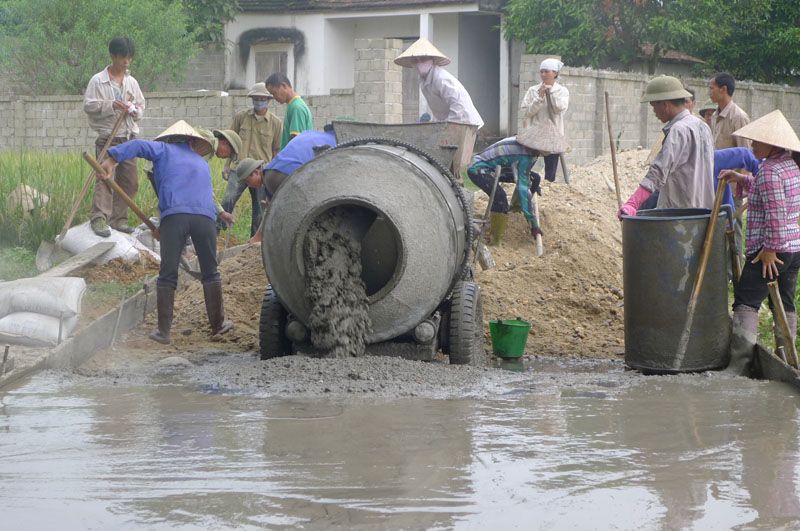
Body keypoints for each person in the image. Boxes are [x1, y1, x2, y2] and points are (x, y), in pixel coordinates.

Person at [97, 120, 234, 344]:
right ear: (192, 142)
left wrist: (112, 159)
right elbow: (194, 197)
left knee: (167, 274)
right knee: (211, 272)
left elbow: (138, 145)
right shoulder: (201, 163)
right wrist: (165, 226)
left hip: (175, 216)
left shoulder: (163, 149)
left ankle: (163, 332)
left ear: (170, 139)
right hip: (205, 219)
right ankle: (219, 325)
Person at [718, 110, 800, 375]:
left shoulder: (771, 171)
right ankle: (785, 359)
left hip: (772, 249)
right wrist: (740, 178)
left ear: (772, 144)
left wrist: (768, 250)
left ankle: (739, 366)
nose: (752, 145)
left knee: (746, 299)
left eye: (757, 141)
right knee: (784, 301)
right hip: (793, 247)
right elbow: (766, 189)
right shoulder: (787, 165)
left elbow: (775, 212)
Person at [618, 76, 714, 218]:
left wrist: (633, 203)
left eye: (654, 106)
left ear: (665, 104)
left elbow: (658, 172)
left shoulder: (678, 130)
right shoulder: (702, 126)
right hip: (703, 213)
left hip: (678, 215)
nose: (654, 112)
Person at [83, 36, 146, 237]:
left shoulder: (131, 82)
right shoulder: (98, 81)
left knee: (130, 181)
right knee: (104, 177)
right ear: (113, 56)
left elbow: (141, 107)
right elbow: (88, 105)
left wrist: (134, 110)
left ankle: (119, 220)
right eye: (122, 57)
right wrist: (111, 105)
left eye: (129, 58)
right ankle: (99, 218)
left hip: (128, 139)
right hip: (108, 137)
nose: (126, 62)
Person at [394, 37, 483, 177]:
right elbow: (437, 106)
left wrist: (448, 127)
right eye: (415, 60)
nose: (419, 64)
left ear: (432, 61)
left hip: (464, 123)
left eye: (422, 59)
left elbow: (458, 104)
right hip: (449, 123)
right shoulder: (423, 81)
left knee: (454, 164)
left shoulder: (442, 79)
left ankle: (456, 190)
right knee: (444, 163)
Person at [247, 126, 338, 243]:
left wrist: (258, 237)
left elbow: (272, 211)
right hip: (305, 170)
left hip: (300, 172)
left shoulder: (271, 177)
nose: (249, 185)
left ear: (256, 172)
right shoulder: (327, 138)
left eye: (247, 181)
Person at [220, 82, 282, 237]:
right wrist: (227, 165)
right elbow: (229, 141)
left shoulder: (276, 123)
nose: (259, 101)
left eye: (262, 98)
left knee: (260, 210)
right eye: (256, 98)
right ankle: (215, 233)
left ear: (268, 100)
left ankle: (254, 243)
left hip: (261, 172)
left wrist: (271, 174)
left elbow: (276, 150)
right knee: (228, 200)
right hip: (239, 168)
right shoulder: (241, 117)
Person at [466, 137, 541, 245]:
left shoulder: (530, 147)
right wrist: (534, 224)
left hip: (497, 167)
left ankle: (516, 209)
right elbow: (523, 188)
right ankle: (495, 239)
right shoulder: (525, 155)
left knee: (535, 178)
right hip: (478, 168)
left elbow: (525, 174)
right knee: (500, 197)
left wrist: (531, 183)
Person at [520, 58, 569, 182]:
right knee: (525, 166)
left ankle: (548, 190)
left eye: (546, 72)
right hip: (535, 133)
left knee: (550, 171)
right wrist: (539, 97)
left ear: (555, 74)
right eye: (541, 71)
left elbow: (559, 110)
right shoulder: (533, 90)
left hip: (553, 134)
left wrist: (550, 92)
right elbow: (527, 112)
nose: (543, 74)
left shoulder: (562, 91)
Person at [265, 73, 313, 149]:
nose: (274, 97)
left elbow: (296, 142)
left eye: (274, 93)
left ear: (283, 86)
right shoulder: (293, 105)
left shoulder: (296, 108)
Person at [708, 72, 750, 149]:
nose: (709, 93)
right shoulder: (714, 116)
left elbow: (745, 153)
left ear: (723, 89)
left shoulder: (738, 117)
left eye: (711, 88)